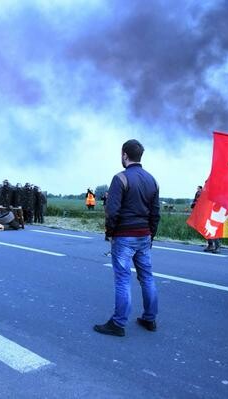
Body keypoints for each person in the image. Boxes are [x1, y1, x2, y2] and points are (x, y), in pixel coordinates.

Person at [94, 139, 160, 337]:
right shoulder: (152, 180)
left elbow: (112, 211)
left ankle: (118, 323)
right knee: (147, 277)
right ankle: (150, 319)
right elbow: (155, 213)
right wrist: (151, 235)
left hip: (124, 236)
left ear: (124, 155)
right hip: (144, 236)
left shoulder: (120, 179)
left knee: (123, 279)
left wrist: (110, 233)